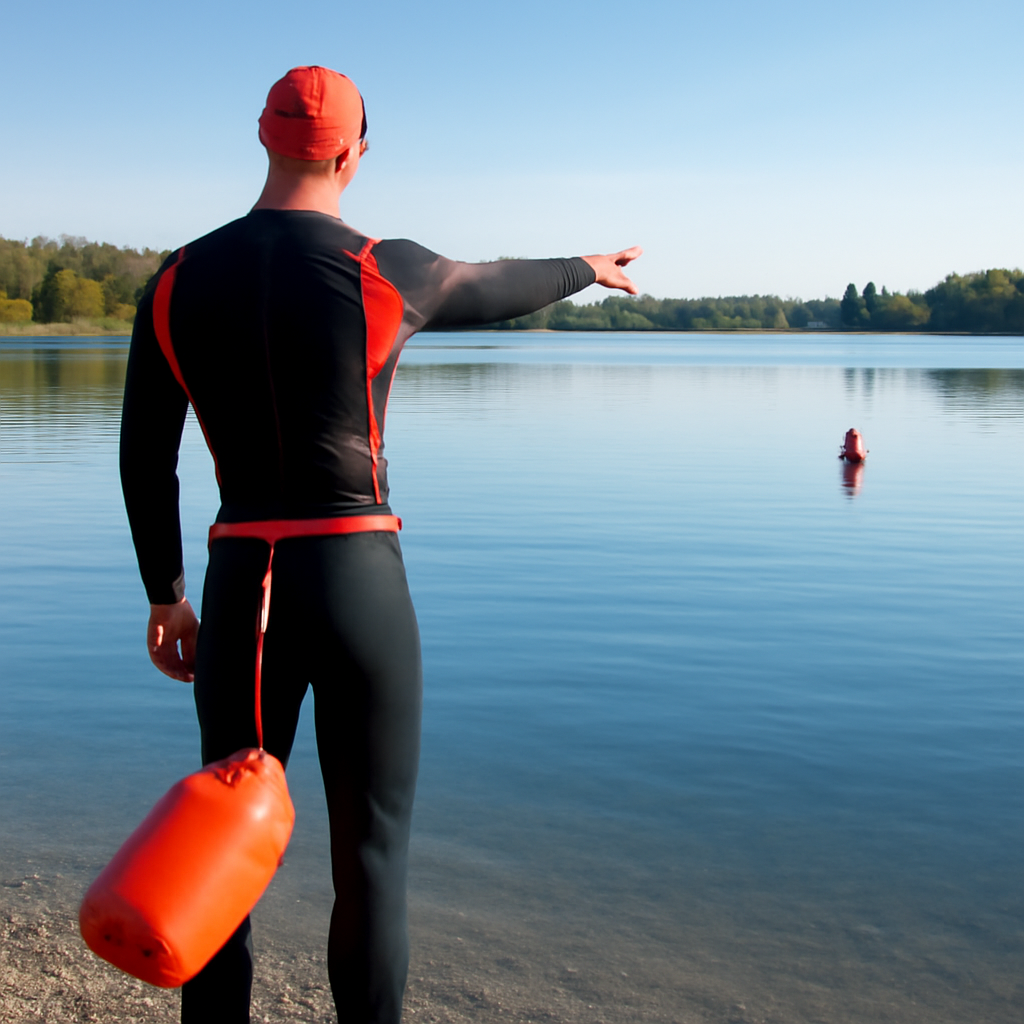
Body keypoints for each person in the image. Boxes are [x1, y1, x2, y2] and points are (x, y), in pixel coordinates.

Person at [119, 65, 641, 1024]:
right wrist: (586, 269)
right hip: (359, 577)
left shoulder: (176, 282)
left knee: (216, 848)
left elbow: (145, 457)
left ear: (265, 138)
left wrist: (166, 593)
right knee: (371, 856)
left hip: (246, 589)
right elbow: (495, 284)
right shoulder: (388, 267)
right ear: (353, 152)